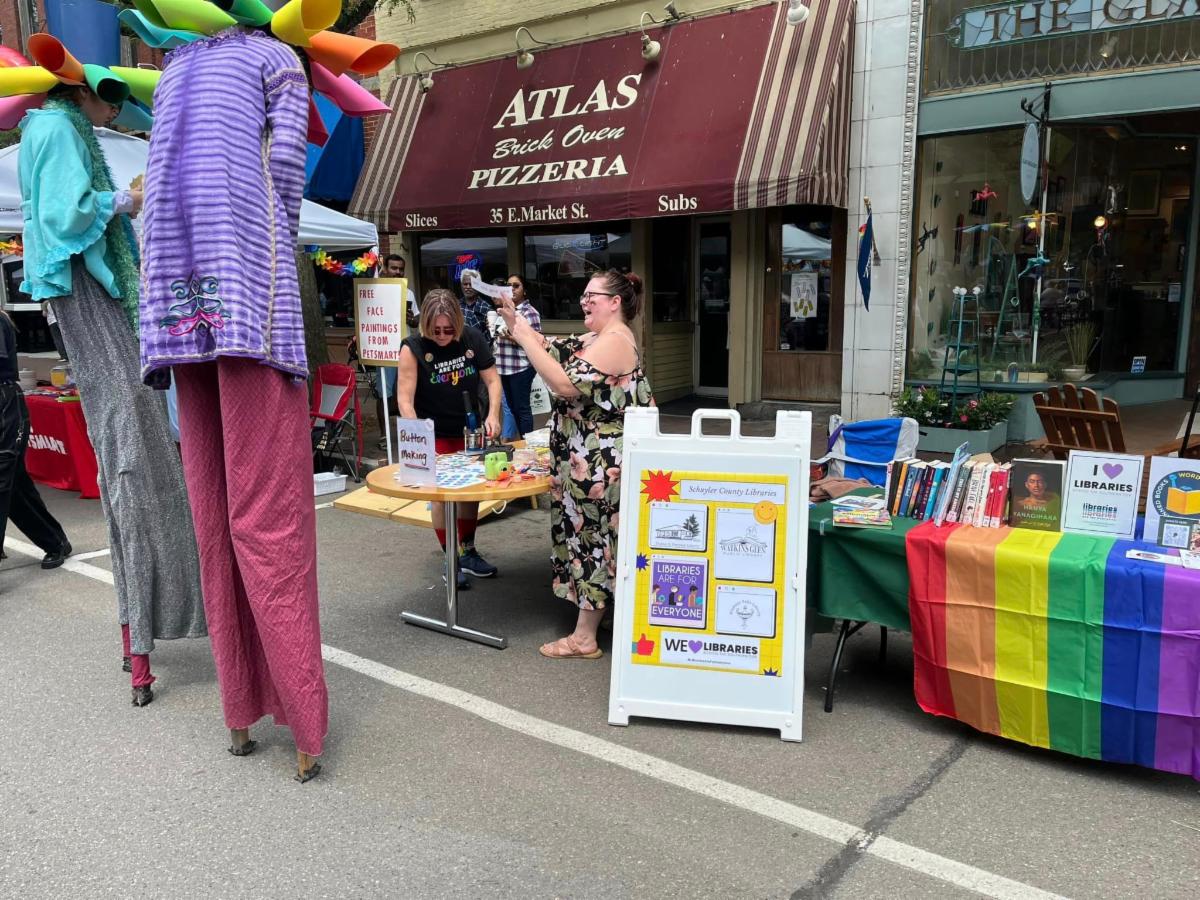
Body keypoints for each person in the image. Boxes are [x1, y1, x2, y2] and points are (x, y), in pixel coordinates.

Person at [140, 27, 331, 781]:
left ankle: (239, 715)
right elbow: (285, 166)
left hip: (173, 304)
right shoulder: (275, 58)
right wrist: (276, 242)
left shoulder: (172, 69)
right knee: (270, 520)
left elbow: (157, 184)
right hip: (251, 298)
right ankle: (305, 726)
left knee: (215, 518)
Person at [18, 79, 206, 708]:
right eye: (107, 100)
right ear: (81, 93)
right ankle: (147, 627)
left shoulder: (54, 130)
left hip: (95, 308)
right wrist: (125, 199)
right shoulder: (55, 129)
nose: (110, 114)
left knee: (143, 466)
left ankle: (148, 625)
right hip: (92, 306)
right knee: (135, 468)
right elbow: (64, 215)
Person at [498, 269, 654, 659]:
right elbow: (550, 347)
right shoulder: (599, 337)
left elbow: (564, 383)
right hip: (584, 458)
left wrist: (519, 335)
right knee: (590, 536)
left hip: (601, 463)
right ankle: (598, 615)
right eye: (583, 295)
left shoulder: (617, 340)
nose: (584, 301)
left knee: (593, 541)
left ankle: (585, 637)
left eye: (592, 296)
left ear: (615, 302)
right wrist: (514, 319)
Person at [397, 289, 502, 588]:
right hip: (434, 431)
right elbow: (405, 398)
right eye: (436, 330)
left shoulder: (472, 338)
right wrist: (418, 436)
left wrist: (493, 414)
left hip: (469, 429)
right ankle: (450, 556)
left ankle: (467, 550)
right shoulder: (413, 348)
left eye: (448, 330)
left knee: (471, 493)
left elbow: (492, 380)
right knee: (441, 498)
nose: (443, 336)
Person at [0, 308, 71, 571]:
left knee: (4, 478)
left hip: (6, 404)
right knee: (14, 485)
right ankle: (55, 541)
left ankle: (55, 542)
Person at [374, 254, 419, 450]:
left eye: (401, 269)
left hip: (404, 350)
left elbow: (417, 321)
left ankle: (405, 432)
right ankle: (384, 436)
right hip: (383, 350)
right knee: (384, 394)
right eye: (394, 268)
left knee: (406, 392)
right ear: (384, 268)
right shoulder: (375, 290)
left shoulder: (408, 293)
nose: (398, 272)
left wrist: (411, 319)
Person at [490, 275, 542, 439]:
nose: (511, 288)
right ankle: (520, 443)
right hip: (504, 366)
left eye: (516, 285)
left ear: (524, 290)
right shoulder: (504, 310)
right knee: (511, 409)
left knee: (522, 409)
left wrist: (510, 337)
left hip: (521, 367)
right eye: (508, 285)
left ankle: (528, 444)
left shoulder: (529, 312)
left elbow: (536, 343)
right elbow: (497, 334)